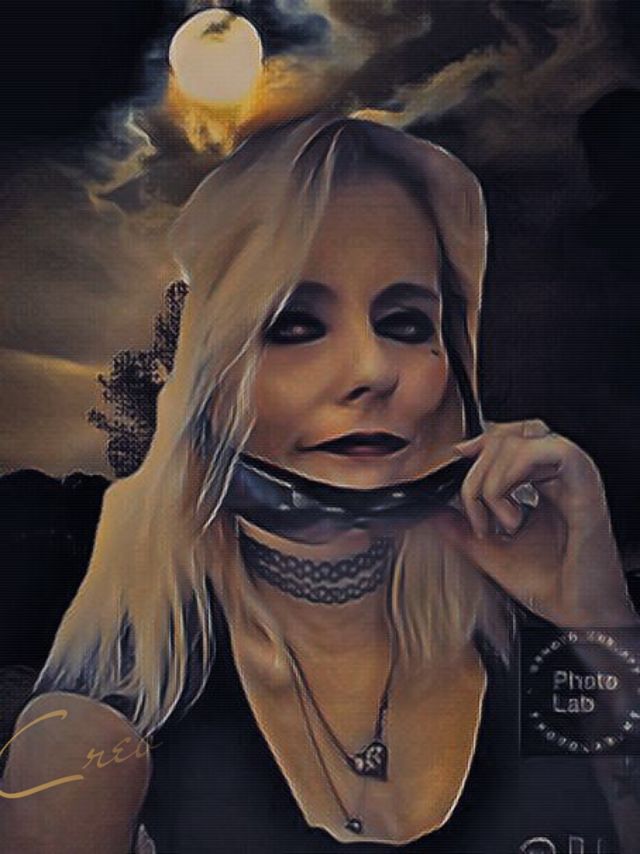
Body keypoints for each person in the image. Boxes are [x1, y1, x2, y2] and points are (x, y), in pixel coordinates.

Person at [1, 113, 638, 854]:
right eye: (294, 325)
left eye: (406, 323)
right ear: (212, 381)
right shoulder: (101, 727)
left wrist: (595, 615)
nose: (372, 370)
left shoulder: (543, 653)